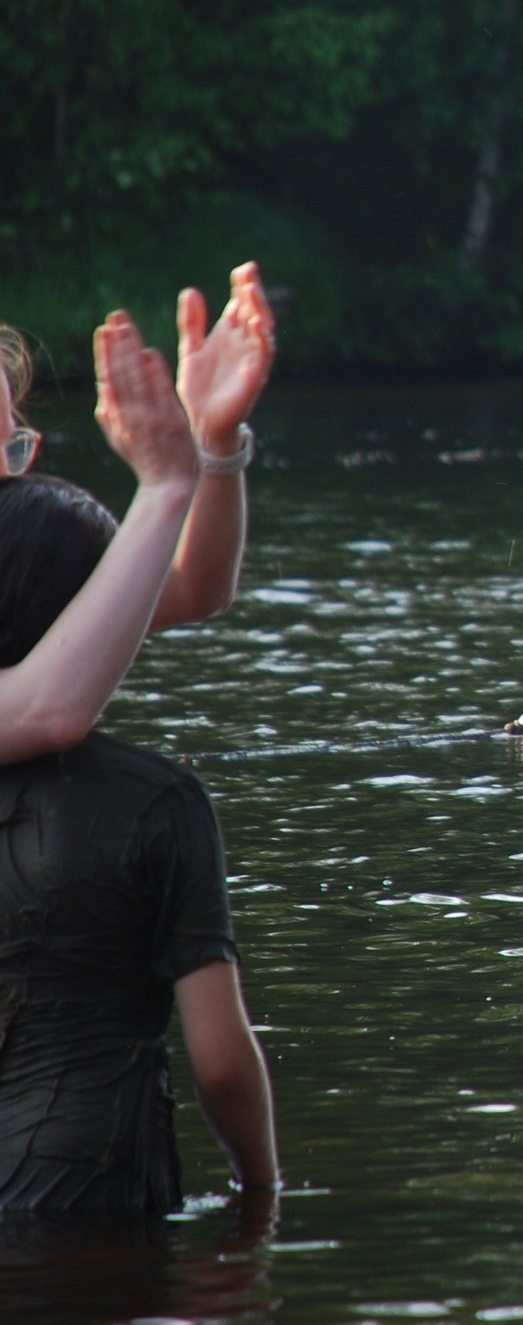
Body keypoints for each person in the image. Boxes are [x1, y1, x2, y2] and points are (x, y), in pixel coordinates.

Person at [0, 472, 280, 1216]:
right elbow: (220, 1065)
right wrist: (262, 1199)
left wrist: (214, 457)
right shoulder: (158, 803)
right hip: (94, 1193)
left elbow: (192, 586)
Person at [0, 265, 277, 766]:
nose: (8, 476)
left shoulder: (19, 570)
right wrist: (164, 486)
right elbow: (44, 712)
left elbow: (192, 589)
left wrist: (213, 441)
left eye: (9, 446)